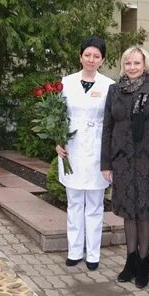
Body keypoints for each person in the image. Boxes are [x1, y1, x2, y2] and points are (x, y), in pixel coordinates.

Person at [100, 46, 149, 288]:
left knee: (144, 211)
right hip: (122, 160)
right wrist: (106, 163)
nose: (132, 67)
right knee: (128, 211)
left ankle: (144, 261)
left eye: (136, 63)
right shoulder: (114, 90)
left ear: (145, 64)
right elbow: (107, 128)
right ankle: (130, 260)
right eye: (128, 63)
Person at [55, 36, 115, 271]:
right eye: (87, 55)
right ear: (80, 57)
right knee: (74, 203)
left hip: (98, 149)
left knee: (95, 204)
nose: (91, 59)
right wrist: (57, 140)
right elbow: (58, 115)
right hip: (71, 148)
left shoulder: (109, 85)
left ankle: (93, 254)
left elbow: (112, 122)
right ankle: (74, 251)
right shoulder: (66, 82)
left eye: (96, 56)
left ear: (102, 59)